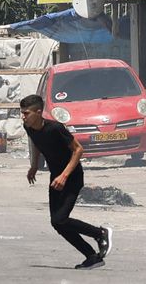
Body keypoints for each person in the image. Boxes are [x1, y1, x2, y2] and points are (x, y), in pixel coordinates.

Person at [21, 93, 111, 271]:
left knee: (60, 219)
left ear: (39, 112)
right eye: (22, 113)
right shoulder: (29, 127)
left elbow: (78, 150)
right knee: (57, 223)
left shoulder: (55, 128)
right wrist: (34, 166)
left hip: (72, 177)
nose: (23, 117)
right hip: (55, 177)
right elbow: (36, 143)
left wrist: (64, 176)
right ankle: (92, 256)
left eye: (27, 113)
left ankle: (100, 233)